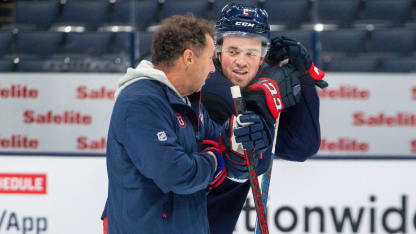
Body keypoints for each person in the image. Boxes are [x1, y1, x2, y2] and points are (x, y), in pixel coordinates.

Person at [101, 14, 272, 234]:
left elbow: (221, 152)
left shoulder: (189, 102)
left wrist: (237, 137)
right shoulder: (140, 101)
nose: (213, 69)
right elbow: (176, 173)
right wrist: (213, 159)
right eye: (210, 59)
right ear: (189, 58)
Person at [202, 3, 328, 233]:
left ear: (262, 58)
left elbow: (302, 146)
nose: (241, 61)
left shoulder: (256, 90)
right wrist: (263, 105)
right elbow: (253, 159)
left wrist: (303, 76)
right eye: (233, 51)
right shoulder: (206, 86)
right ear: (217, 52)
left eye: (251, 53)